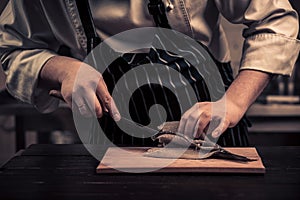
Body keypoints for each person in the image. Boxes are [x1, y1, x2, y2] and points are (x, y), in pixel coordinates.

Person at [0, 0, 299, 146]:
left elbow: (275, 21)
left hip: (214, 138)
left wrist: (233, 102)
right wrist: (62, 69)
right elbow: (11, 50)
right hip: (113, 150)